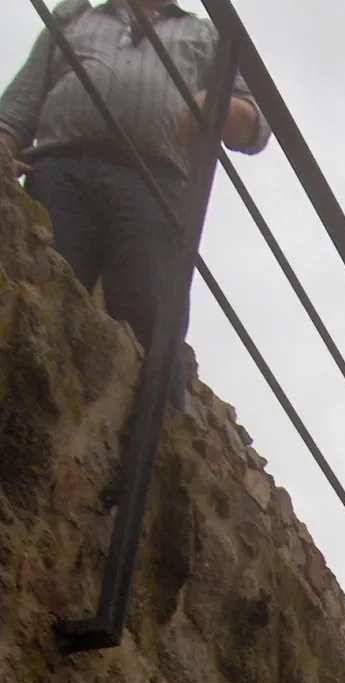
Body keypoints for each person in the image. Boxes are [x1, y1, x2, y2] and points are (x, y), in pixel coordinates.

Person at [0, 0, 267, 390]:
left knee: (153, 322)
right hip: (60, 170)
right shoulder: (75, 16)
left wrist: (219, 103)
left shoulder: (208, 35)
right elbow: (16, 113)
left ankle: (157, 440)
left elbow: (256, 127)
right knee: (39, 296)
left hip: (153, 183)